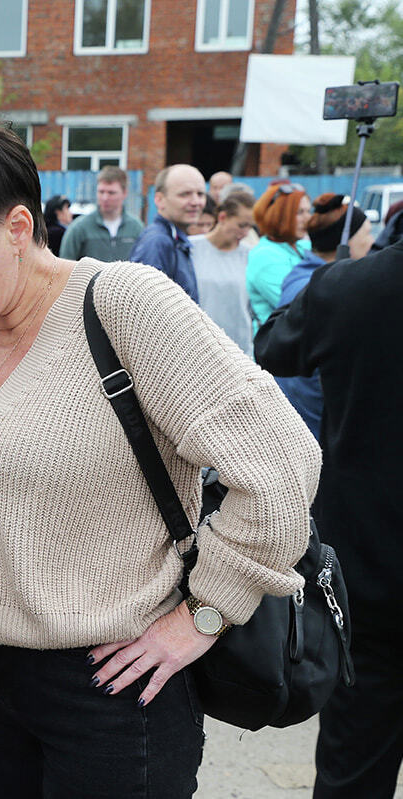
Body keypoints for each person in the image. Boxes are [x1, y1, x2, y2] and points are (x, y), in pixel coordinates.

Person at [0, 115, 319, 798]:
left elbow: (283, 462)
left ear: (18, 229)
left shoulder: (121, 302)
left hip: (114, 693)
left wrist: (205, 612)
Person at [255, 239, 403, 799]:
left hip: (369, 577)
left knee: (353, 768)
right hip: (368, 581)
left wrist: (326, 279)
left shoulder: (351, 286)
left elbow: (273, 343)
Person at [269, 194, 373, 439]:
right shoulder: (315, 288)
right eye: (366, 234)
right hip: (312, 428)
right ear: (344, 244)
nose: (371, 242)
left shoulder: (307, 275)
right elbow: (297, 375)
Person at [188, 189, 256, 353]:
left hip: (238, 350)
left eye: (250, 227)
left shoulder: (251, 255)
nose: (245, 232)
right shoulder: (191, 248)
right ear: (223, 217)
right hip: (196, 346)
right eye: (241, 225)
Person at [129, 164, 207, 302]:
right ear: (159, 200)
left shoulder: (175, 239)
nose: (196, 202)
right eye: (185, 194)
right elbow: (145, 305)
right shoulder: (157, 242)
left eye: (200, 194)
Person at [246, 182, 311, 331]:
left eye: (308, 211)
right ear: (278, 216)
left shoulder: (302, 246)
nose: (308, 219)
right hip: (280, 349)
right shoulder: (264, 256)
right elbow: (299, 307)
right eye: (299, 213)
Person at [59, 166, 143, 262]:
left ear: (124, 193)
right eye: (101, 192)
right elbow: (65, 265)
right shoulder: (79, 228)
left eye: (111, 193)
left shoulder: (136, 228)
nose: (105, 198)